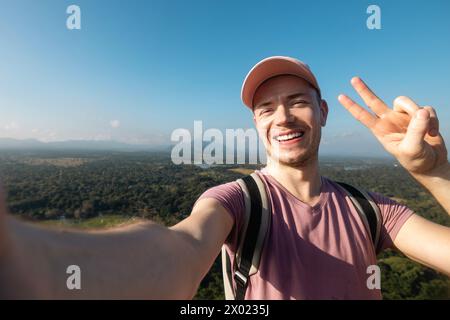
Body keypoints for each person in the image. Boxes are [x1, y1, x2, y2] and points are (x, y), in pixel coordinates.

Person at [0, 56, 449, 299]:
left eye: (298, 101)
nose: (283, 117)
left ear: (322, 112)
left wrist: (433, 172)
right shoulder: (238, 201)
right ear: (255, 123)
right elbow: (180, 250)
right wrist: (32, 266)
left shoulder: (371, 209)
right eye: (266, 109)